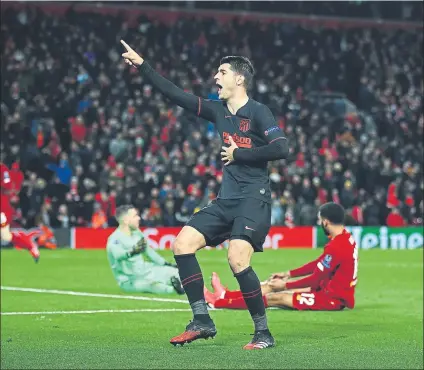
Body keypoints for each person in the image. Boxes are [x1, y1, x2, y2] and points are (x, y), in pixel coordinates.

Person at [121, 40, 289, 349]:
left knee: (237, 258)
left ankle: (263, 332)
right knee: (182, 244)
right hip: (226, 200)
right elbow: (175, 94)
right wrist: (142, 65)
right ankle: (202, 320)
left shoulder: (259, 112)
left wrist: (241, 155)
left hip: (254, 199)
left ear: (239, 78)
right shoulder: (217, 110)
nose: (216, 77)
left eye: (222, 72)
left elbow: (282, 148)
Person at [205, 203, 358, 311]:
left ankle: (219, 303)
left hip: (331, 299)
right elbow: (318, 264)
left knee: (275, 297)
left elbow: (315, 278)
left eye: (320, 221)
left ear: (326, 221)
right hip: (325, 289)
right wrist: (287, 275)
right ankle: (226, 295)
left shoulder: (337, 246)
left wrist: (285, 285)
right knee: (271, 285)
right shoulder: (346, 239)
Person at [106, 205, 184, 295]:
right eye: (135, 216)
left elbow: (148, 252)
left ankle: (176, 283)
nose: (139, 218)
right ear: (126, 220)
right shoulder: (115, 239)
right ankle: (175, 290)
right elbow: (117, 255)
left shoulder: (137, 233)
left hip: (145, 271)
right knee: (151, 285)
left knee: (178, 271)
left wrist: (166, 264)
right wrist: (132, 252)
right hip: (129, 280)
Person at [1, 161, 40, 262]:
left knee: (6, 236)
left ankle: (30, 245)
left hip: (2, 210)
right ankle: (30, 245)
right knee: (5, 236)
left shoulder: (2, 169)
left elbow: (8, 187)